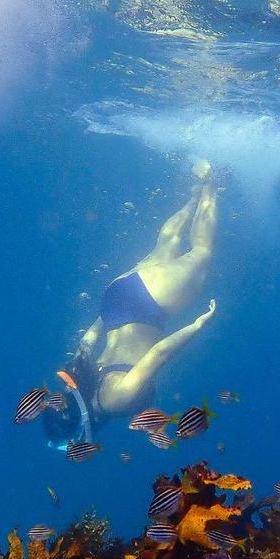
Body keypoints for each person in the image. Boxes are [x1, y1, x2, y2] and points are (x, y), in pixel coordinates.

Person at [43, 161, 218, 447]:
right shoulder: (83, 381)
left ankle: (211, 181)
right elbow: (88, 340)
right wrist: (104, 313)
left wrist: (197, 325)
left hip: (148, 306)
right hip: (115, 301)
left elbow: (159, 354)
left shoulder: (113, 400)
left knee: (201, 252)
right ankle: (194, 194)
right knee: (166, 244)